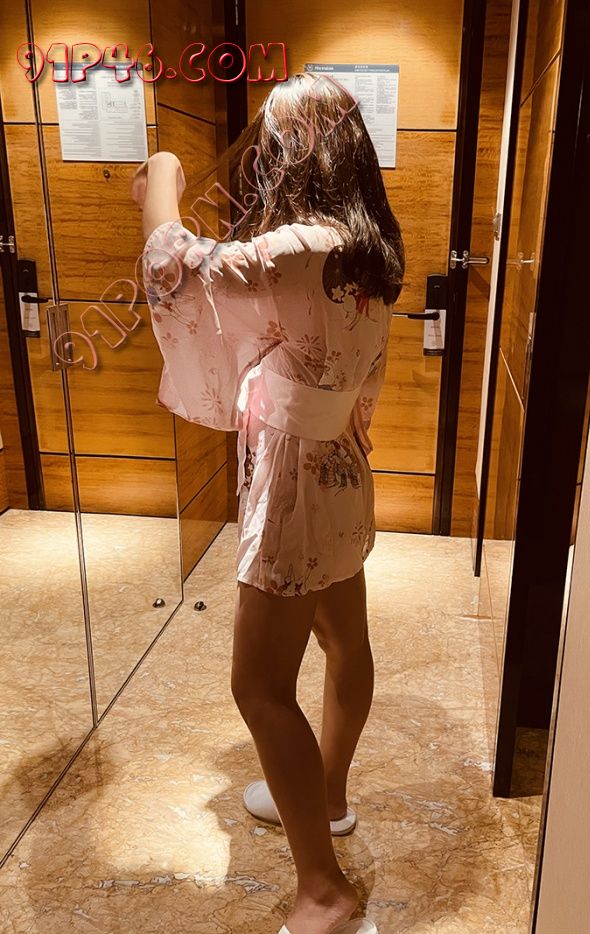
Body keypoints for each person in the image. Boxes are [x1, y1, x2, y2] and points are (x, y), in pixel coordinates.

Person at [132, 72, 404, 934]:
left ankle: (323, 888)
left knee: (258, 686)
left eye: (275, 143)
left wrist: (164, 178)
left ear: (301, 154)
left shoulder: (297, 248)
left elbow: (174, 266)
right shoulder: (372, 247)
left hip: (294, 484)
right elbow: (366, 377)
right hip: (342, 468)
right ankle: (329, 798)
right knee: (345, 640)